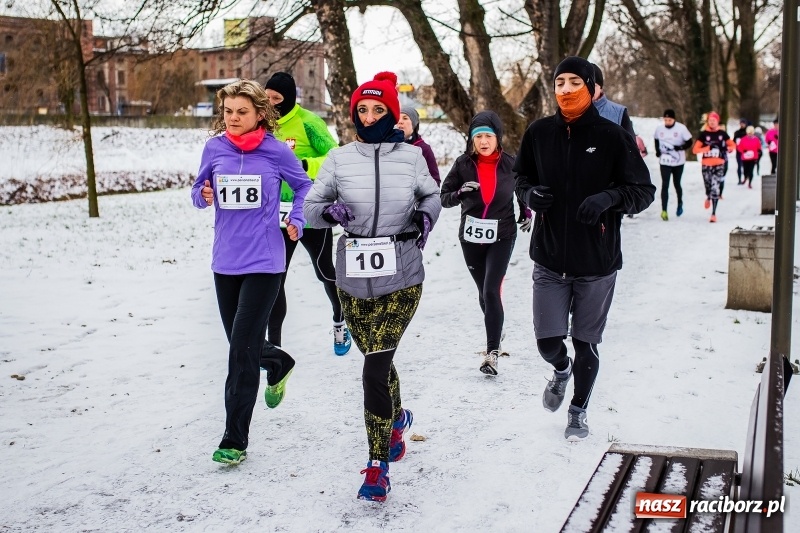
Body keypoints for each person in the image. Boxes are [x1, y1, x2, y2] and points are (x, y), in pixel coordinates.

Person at [304, 72, 441, 501]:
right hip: (354, 280)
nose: (368, 116)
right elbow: (310, 207)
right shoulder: (339, 158)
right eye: (361, 109)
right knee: (377, 364)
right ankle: (396, 419)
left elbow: (432, 195)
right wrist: (330, 213)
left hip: (402, 275)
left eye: (378, 109)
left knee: (374, 370)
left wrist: (426, 217)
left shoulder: (412, 157)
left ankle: (377, 466)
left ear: (392, 113)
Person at [514, 56, 654, 441]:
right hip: (549, 259)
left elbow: (643, 191)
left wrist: (609, 198)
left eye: (575, 82)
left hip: (597, 262)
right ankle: (561, 370)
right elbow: (520, 176)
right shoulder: (539, 133)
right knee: (547, 342)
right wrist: (529, 194)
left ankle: (578, 411)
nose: (566, 89)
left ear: (591, 88)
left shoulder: (613, 136)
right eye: (560, 82)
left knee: (585, 342)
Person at [191, 80, 312, 464]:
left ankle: (234, 438)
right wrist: (202, 195)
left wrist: (297, 218)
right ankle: (277, 361)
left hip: (265, 260)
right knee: (240, 344)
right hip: (225, 261)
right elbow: (197, 190)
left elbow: (304, 187)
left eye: (241, 111)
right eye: (228, 111)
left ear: (260, 113)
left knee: (241, 352)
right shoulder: (215, 148)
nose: (232, 118)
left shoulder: (276, 151)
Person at [263, 72, 351, 356]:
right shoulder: (261, 124)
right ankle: (275, 346)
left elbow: (335, 156)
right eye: (266, 97)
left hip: (310, 209)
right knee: (275, 279)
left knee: (324, 271)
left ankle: (340, 320)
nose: (270, 103)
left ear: (289, 98)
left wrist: (303, 164)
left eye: (276, 98)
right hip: (277, 214)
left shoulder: (308, 121)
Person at [440, 110, 529, 376]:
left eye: (488, 136)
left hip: (502, 234)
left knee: (491, 290)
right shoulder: (462, 164)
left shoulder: (511, 164)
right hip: (470, 237)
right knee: (484, 293)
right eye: (477, 137)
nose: (483, 141)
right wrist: (459, 192)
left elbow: (521, 189)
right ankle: (496, 331)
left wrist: (526, 211)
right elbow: (444, 198)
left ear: (497, 138)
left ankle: (492, 353)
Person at [591, 63, 648, 158]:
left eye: (594, 85)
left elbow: (631, 151)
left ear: (600, 87)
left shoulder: (619, 113)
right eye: (584, 85)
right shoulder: (568, 112)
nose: (589, 90)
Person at [692, 111, 735, 223]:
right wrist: (707, 149)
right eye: (710, 120)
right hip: (706, 165)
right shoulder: (703, 134)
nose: (712, 122)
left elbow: (732, 145)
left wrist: (729, 149)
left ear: (717, 121)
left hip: (719, 164)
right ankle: (708, 196)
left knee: (715, 188)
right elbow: (695, 150)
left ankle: (713, 213)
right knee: (708, 186)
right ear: (708, 122)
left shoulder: (722, 134)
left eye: (714, 120)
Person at [653, 109, 693, 220]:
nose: (667, 122)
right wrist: (657, 151)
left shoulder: (681, 128)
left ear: (674, 119)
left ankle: (680, 203)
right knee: (665, 184)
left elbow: (689, 142)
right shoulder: (659, 129)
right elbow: (656, 139)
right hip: (664, 161)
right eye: (665, 120)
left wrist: (680, 147)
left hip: (678, 162)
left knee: (677, 183)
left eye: (669, 120)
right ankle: (664, 210)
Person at [397, 106, 441, 186]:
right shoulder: (390, 146)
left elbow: (435, 181)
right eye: (398, 119)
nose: (400, 121)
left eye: (405, 118)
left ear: (414, 124)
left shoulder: (424, 149)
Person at [733, 119, 749, 184]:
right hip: (739, 152)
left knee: (745, 166)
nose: (742, 125)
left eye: (743, 123)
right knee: (739, 166)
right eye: (741, 123)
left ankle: (745, 177)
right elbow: (734, 141)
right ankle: (739, 179)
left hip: (746, 152)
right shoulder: (737, 132)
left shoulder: (747, 133)